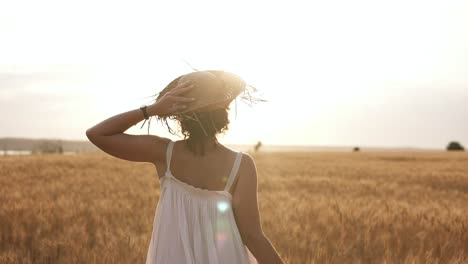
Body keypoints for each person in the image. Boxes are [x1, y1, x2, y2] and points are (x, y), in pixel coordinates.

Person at [86, 70, 285, 264]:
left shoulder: (163, 153)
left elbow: (97, 134)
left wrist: (152, 110)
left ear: (181, 117)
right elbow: (252, 236)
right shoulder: (241, 165)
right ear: (223, 114)